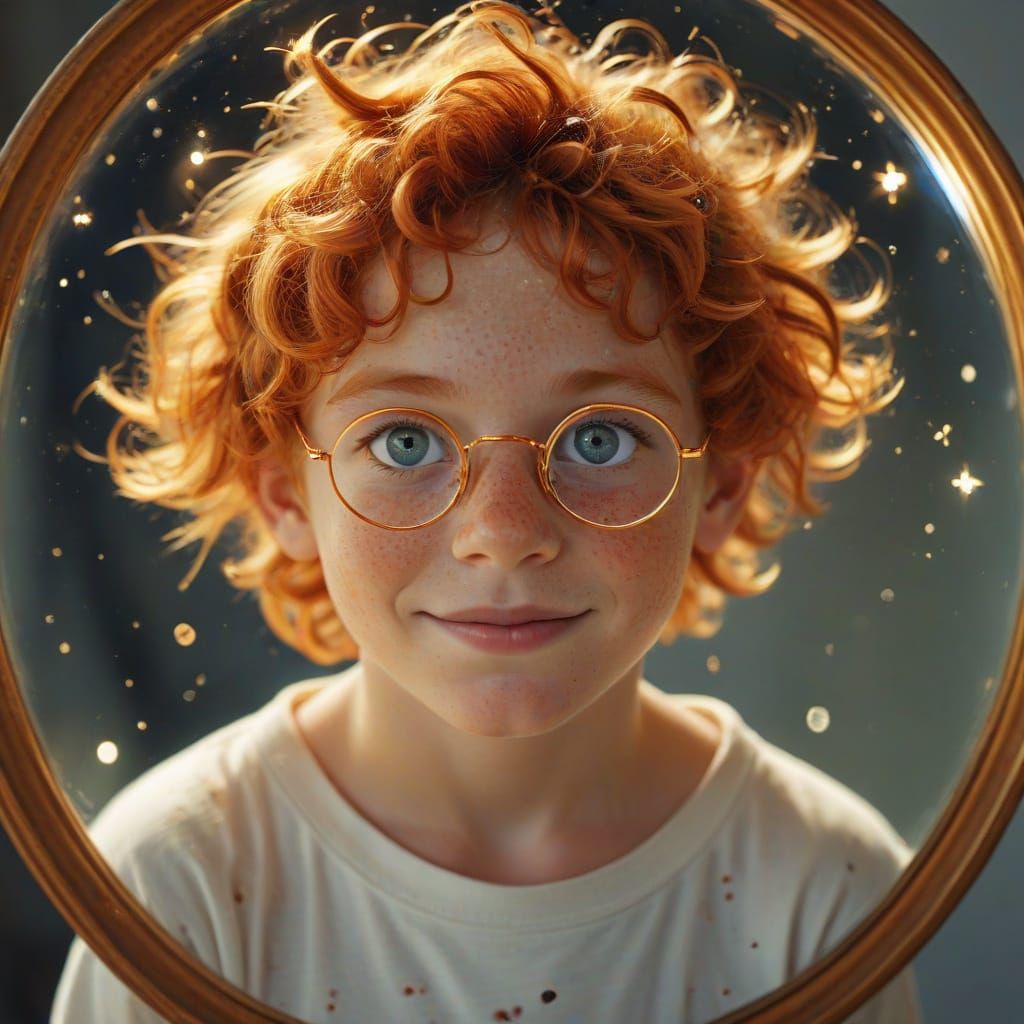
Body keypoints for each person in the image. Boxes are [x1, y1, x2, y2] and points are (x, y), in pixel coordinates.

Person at [52, 1, 921, 1020]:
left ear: (718, 484)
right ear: (284, 493)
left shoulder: (824, 885)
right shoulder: (183, 876)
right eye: (405, 442)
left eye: (599, 438)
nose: (503, 531)